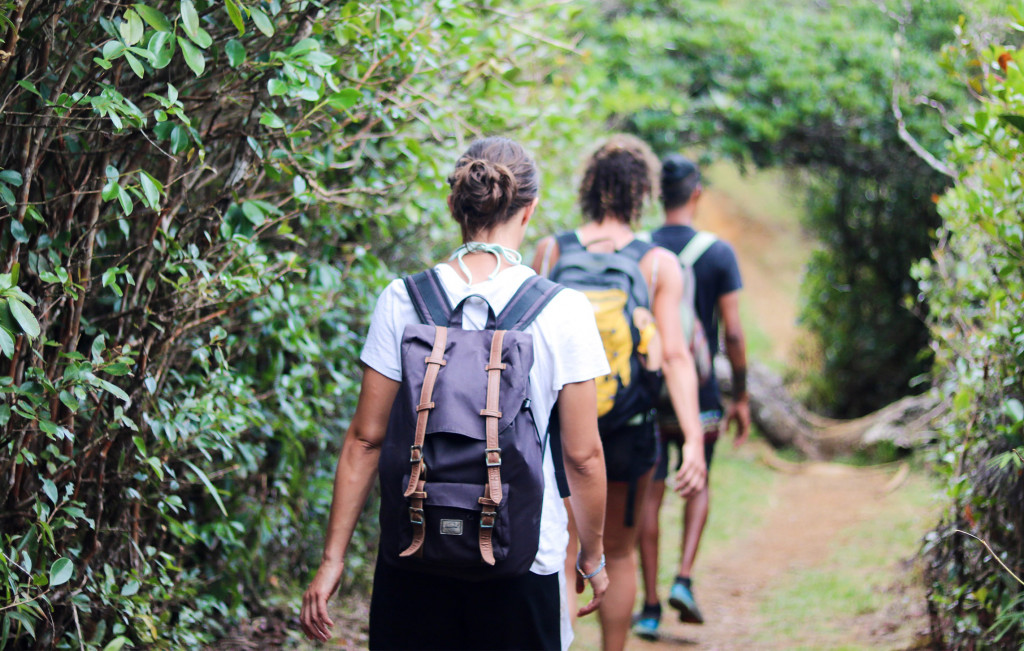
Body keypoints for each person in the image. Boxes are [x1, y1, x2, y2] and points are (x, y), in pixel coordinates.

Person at [300, 136, 611, 650]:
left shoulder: (403, 300)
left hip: (414, 551)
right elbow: (583, 455)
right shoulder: (563, 310)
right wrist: (592, 556)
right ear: (529, 211)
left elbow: (364, 441)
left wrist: (333, 560)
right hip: (522, 559)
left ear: (454, 205)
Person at [532, 135, 707, 651]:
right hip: (629, 431)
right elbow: (675, 356)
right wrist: (693, 438)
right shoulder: (657, 264)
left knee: (564, 553)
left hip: (562, 429)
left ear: (588, 187)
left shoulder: (551, 250)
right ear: (643, 192)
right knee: (621, 554)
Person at [634, 154, 750, 637]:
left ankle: (651, 603)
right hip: (698, 390)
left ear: (659, 197)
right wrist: (740, 396)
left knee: (650, 492)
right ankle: (683, 578)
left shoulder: (639, 249)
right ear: (695, 194)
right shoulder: (719, 253)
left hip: (651, 386)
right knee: (697, 479)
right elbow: (736, 335)